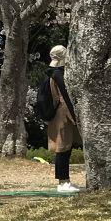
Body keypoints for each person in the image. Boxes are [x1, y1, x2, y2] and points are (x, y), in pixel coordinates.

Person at [37, 44, 80, 193]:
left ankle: (65, 181)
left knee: (64, 148)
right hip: (62, 115)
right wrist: (74, 118)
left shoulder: (51, 73)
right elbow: (65, 99)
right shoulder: (58, 75)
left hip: (56, 115)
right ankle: (63, 182)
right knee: (63, 148)